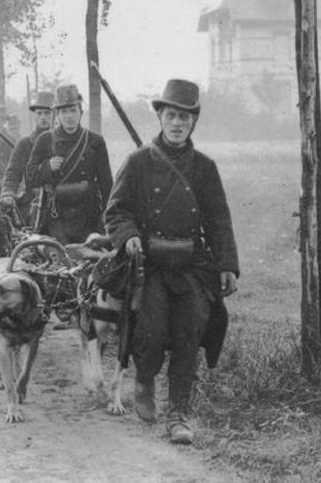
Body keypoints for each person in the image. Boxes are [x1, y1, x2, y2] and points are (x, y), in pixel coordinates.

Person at [105, 79, 239, 445]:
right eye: (171, 115)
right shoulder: (137, 163)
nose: (177, 123)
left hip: (193, 267)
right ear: (160, 118)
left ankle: (179, 414)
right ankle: (145, 380)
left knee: (189, 333)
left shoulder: (205, 168)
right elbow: (117, 210)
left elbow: (218, 219)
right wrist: (128, 234)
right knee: (149, 328)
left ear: (193, 122)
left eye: (184, 117)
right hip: (151, 267)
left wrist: (227, 264)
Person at [25, 84, 112, 244]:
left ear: (81, 112)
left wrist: (107, 215)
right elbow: (30, 177)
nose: (69, 116)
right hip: (56, 216)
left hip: (88, 214)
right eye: (64, 111)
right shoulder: (45, 140)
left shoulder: (95, 141)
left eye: (73, 110)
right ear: (57, 115)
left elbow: (106, 183)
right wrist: (47, 167)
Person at [0, 91, 54, 226]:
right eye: (39, 113)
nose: (43, 118)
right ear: (35, 116)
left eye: (48, 113)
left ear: (56, 115)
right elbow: (13, 173)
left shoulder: (65, 142)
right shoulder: (25, 144)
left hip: (61, 201)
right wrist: (8, 193)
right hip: (32, 201)